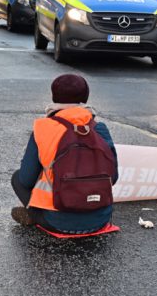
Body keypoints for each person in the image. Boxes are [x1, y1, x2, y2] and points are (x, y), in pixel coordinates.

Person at [11, 74, 119, 234]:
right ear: (85, 97)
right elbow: (114, 178)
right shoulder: (99, 129)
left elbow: (26, 180)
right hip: (100, 219)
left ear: (54, 97)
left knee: (17, 178)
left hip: (56, 222)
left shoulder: (43, 128)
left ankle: (34, 215)